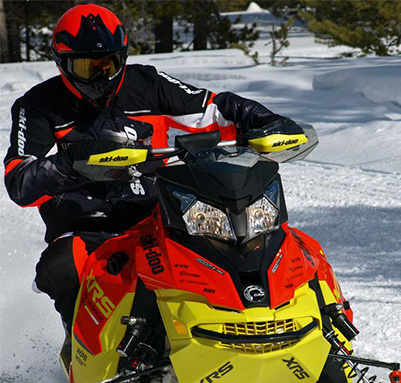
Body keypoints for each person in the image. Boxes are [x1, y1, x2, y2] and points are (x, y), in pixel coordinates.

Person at [3, 3, 300, 333]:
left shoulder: (146, 82)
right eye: (88, 68)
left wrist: (260, 119)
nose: (102, 76)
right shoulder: (38, 105)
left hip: (159, 209)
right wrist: (72, 163)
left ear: (123, 56)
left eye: (110, 64)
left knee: (258, 237)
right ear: (63, 63)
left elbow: (213, 109)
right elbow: (19, 182)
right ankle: (80, 350)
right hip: (86, 223)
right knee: (64, 265)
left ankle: (297, 325)